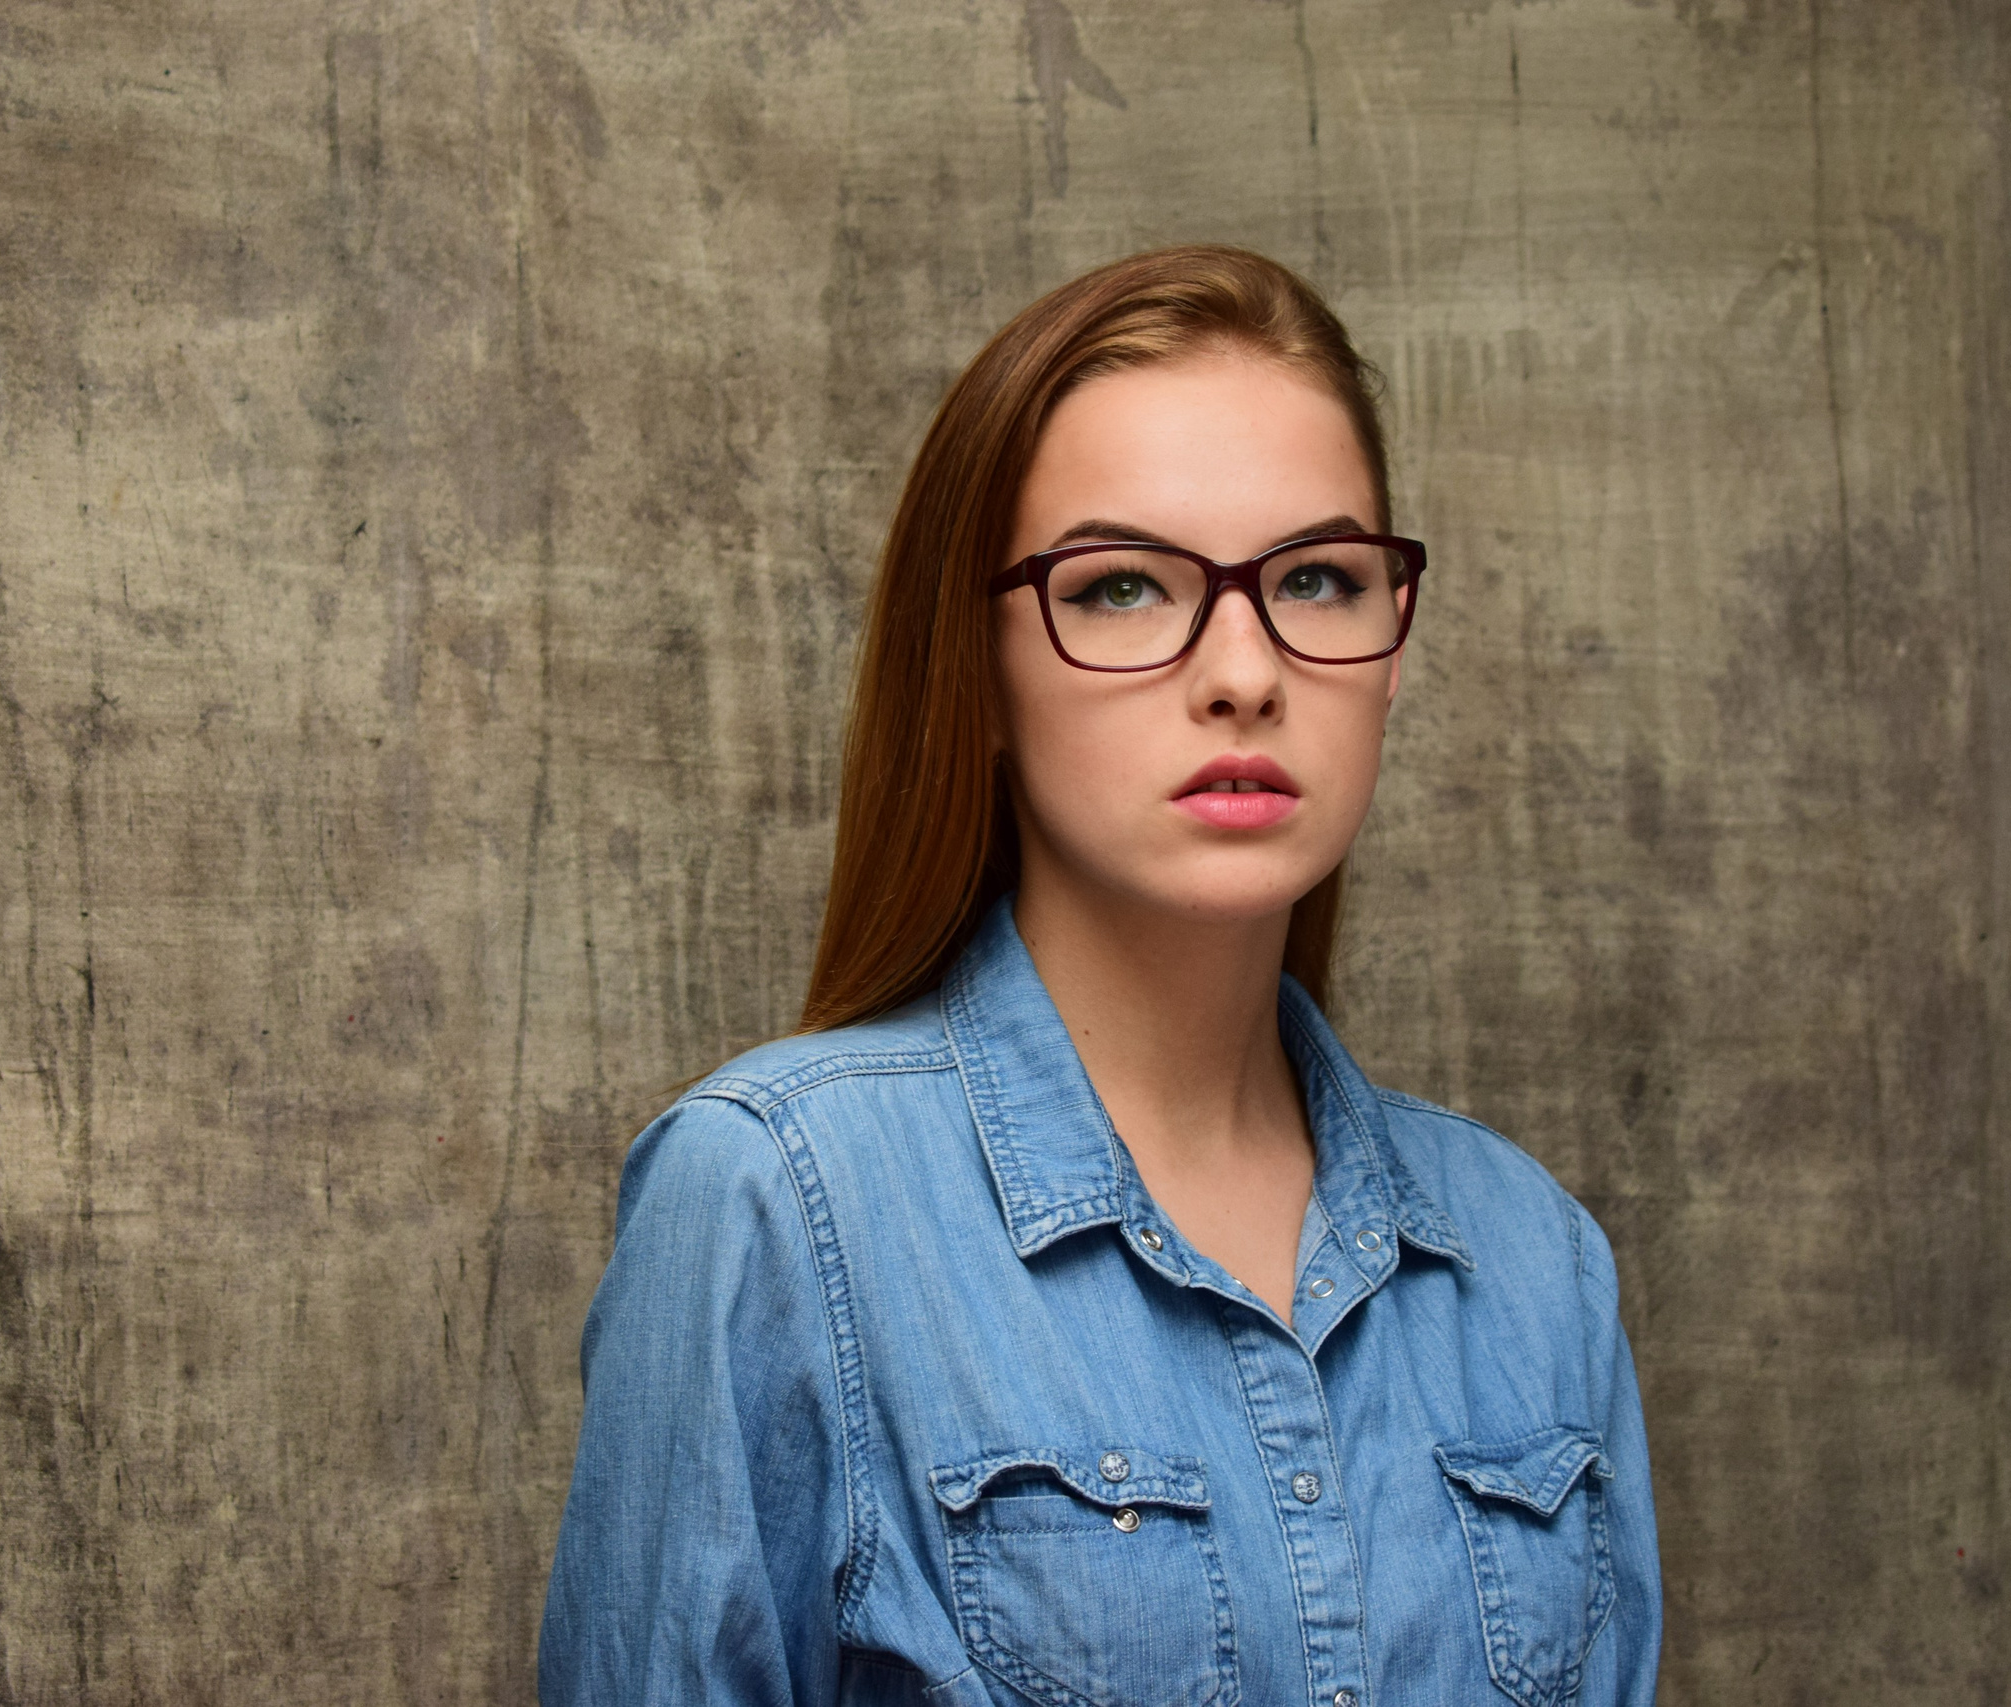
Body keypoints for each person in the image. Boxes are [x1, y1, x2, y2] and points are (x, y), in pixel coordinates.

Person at [539, 245, 1661, 1707]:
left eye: (1317, 579)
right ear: (980, 667)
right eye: (1126, 588)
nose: (1245, 671)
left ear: (1394, 647)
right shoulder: (776, 1203)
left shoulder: (1535, 1263)